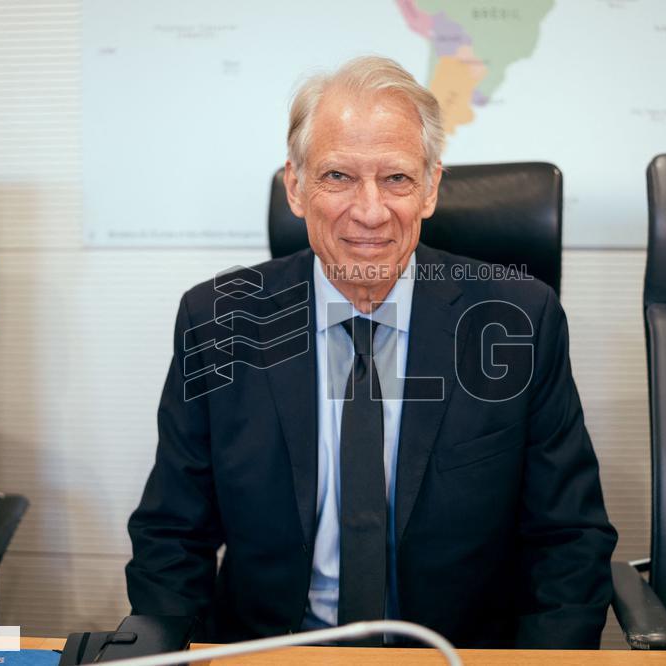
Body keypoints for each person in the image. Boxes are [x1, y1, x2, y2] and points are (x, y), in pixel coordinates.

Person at [125, 56, 617, 649]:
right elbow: (172, 537)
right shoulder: (220, 320)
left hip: (456, 656)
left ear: (431, 188)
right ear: (296, 187)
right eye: (337, 177)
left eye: (397, 179)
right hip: (272, 653)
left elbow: (568, 540)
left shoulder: (517, 320)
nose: (369, 211)